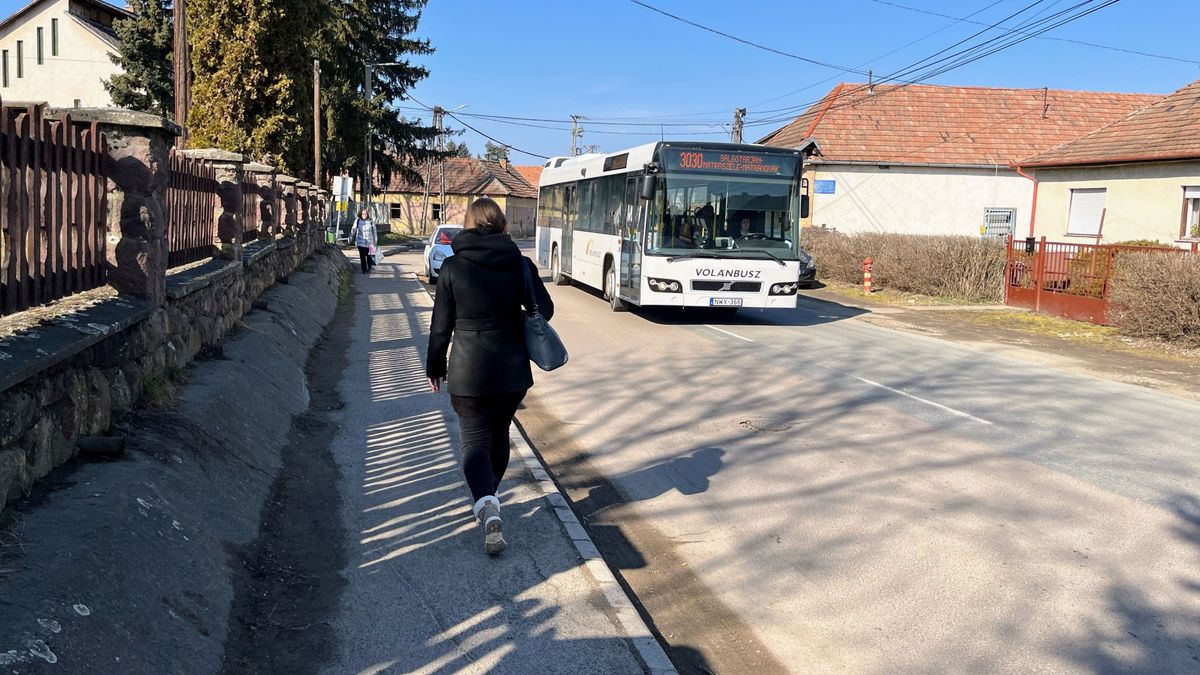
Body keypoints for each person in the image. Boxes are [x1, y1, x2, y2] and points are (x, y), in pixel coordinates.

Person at [425, 197, 554, 556]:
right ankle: (490, 498)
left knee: (473, 443)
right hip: (512, 371)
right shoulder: (520, 263)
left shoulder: (452, 267)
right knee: (499, 435)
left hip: (468, 371)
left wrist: (434, 367)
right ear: (501, 224)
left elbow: (440, 327)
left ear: (468, 224)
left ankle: (487, 503)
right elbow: (545, 310)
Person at [349, 208, 376, 274]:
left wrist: (375, 239)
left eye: (366, 213)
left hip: (370, 242)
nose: (364, 215)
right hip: (360, 242)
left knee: (369, 257)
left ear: (368, 214)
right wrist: (350, 237)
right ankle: (363, 269)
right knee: (362, 256)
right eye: (363, 214)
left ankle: (369, 268)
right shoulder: (357, 221)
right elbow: (353, 229)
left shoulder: (371, 221)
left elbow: (374, 230)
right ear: (360, 214)